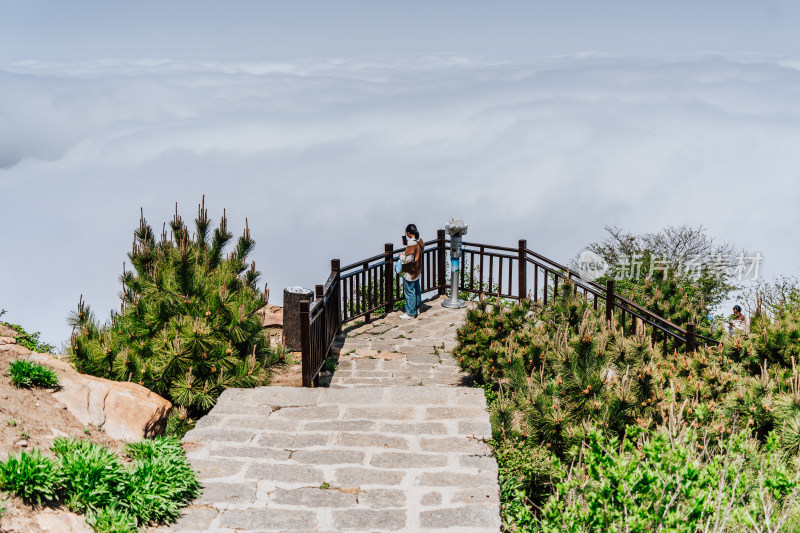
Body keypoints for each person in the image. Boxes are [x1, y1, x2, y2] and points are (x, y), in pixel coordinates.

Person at [398, 224, 424, 319]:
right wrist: (407, 245)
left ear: (408, 233)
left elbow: (407, 259)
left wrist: (401, 255)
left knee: (409, 292)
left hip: (410, 272)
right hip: (417, 270)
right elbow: (418, 250)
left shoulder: (411, 245)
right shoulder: (419, 241)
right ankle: (417, 308)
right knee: (417, 290)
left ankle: (410, 313)